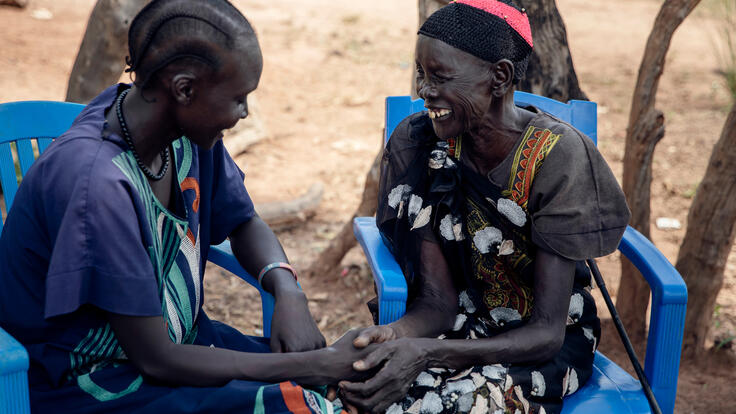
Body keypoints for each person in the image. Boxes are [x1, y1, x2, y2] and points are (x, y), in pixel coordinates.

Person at [0, 0, 371, 412]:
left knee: (339, 385)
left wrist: (288, 291)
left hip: (182, 346)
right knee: (305, 402)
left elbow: (243, 219)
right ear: (184, 89)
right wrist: (305, 364)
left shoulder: (180, 134)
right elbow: (155, 359)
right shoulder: (97, 185)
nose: (245, 114)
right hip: (90, 381)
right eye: (238, 99)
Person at [337, 1, 631, 413]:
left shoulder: (557, 157)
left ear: (500, 77)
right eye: (422, 74)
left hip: (541, 346)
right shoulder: (420, 142)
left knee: (442, 404)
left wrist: (425, 354)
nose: (424, 91)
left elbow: (546, 333)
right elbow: (438, 303)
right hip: (455, 326)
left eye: (440, 77)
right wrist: (393, 335)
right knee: (357, 386)